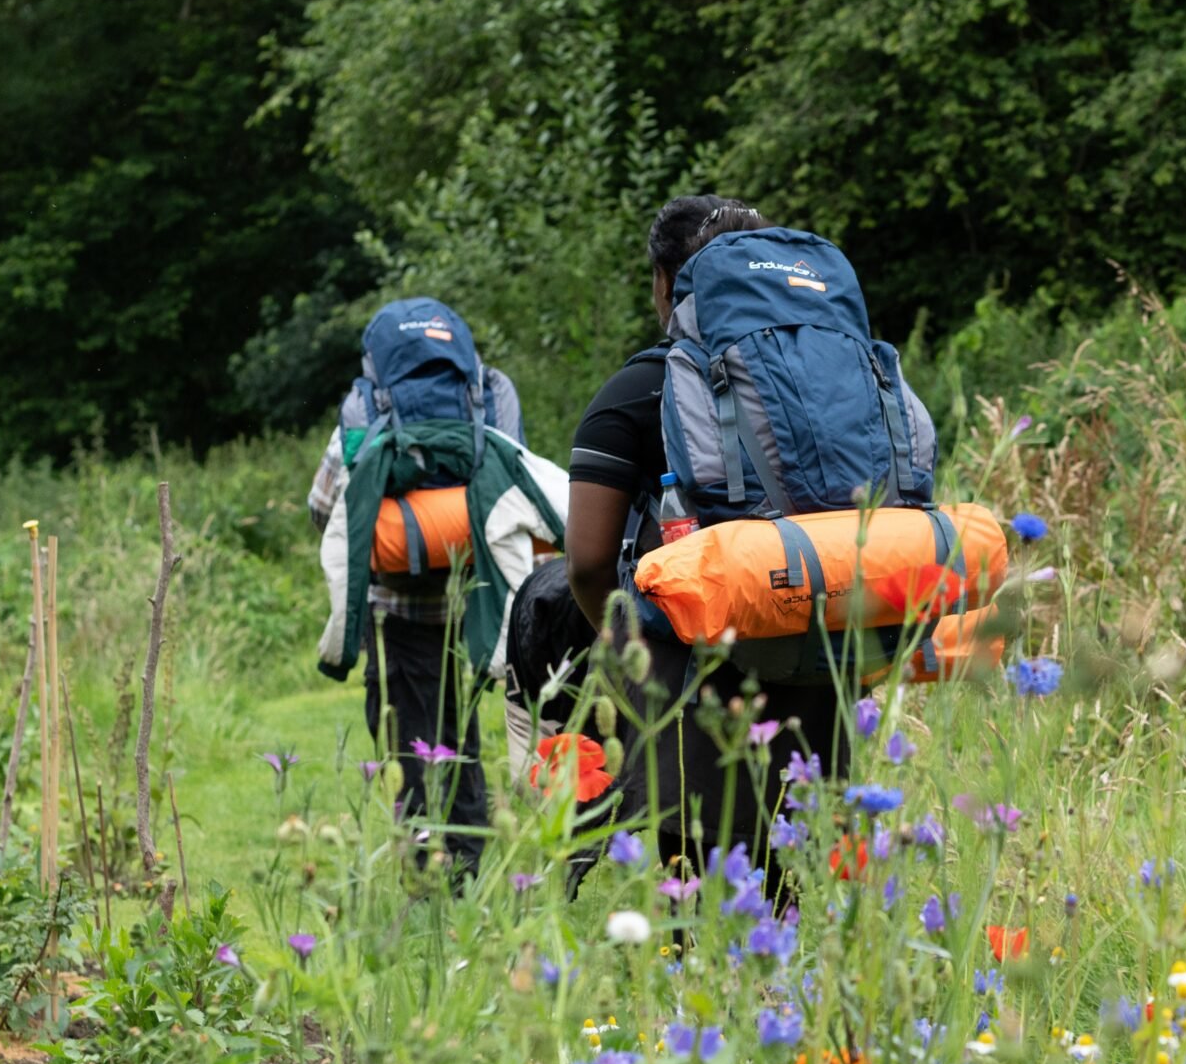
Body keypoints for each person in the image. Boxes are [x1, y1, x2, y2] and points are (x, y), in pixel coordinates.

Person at [562, 196, 852, 872]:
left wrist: (624, 652)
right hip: (821, 659)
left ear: (664, 283)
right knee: (804, 880)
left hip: (687, 676)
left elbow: (587, 562)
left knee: (695, 894)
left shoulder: (636, 389)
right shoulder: (821, 379)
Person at [307, 297, 527, 871]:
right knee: (461, 732)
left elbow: (325, 506)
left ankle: (430, 866)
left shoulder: (367, 405)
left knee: (409, 737)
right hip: (474, 602)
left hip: (398, 606)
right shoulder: (486, 395)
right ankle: (468, 861)